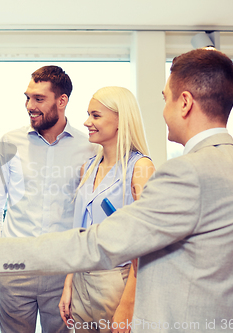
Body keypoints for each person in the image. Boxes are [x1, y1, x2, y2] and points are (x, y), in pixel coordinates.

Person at [0, 49, 233, 332]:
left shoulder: (185, 173)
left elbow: (101, 241)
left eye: (166, 99)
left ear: (185, 103)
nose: (162, 112)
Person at [0, 65, 95, 333]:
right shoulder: (10, 142)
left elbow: (88, 214)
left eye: (39, 99)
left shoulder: (89, 148)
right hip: (14, 268)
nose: (29, 105)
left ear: (62, 100)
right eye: (28, 97)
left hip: (62, 273)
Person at [58, 86, 154, 333]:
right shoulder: (87, 168)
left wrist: (128, 304)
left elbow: (145, 244)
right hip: (80, 279)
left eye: (96, 115)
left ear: (121, 119)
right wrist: (69, 283)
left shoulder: (140, 168)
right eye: (88, 114)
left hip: (116, 282)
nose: (87, 122)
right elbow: (78, 232)